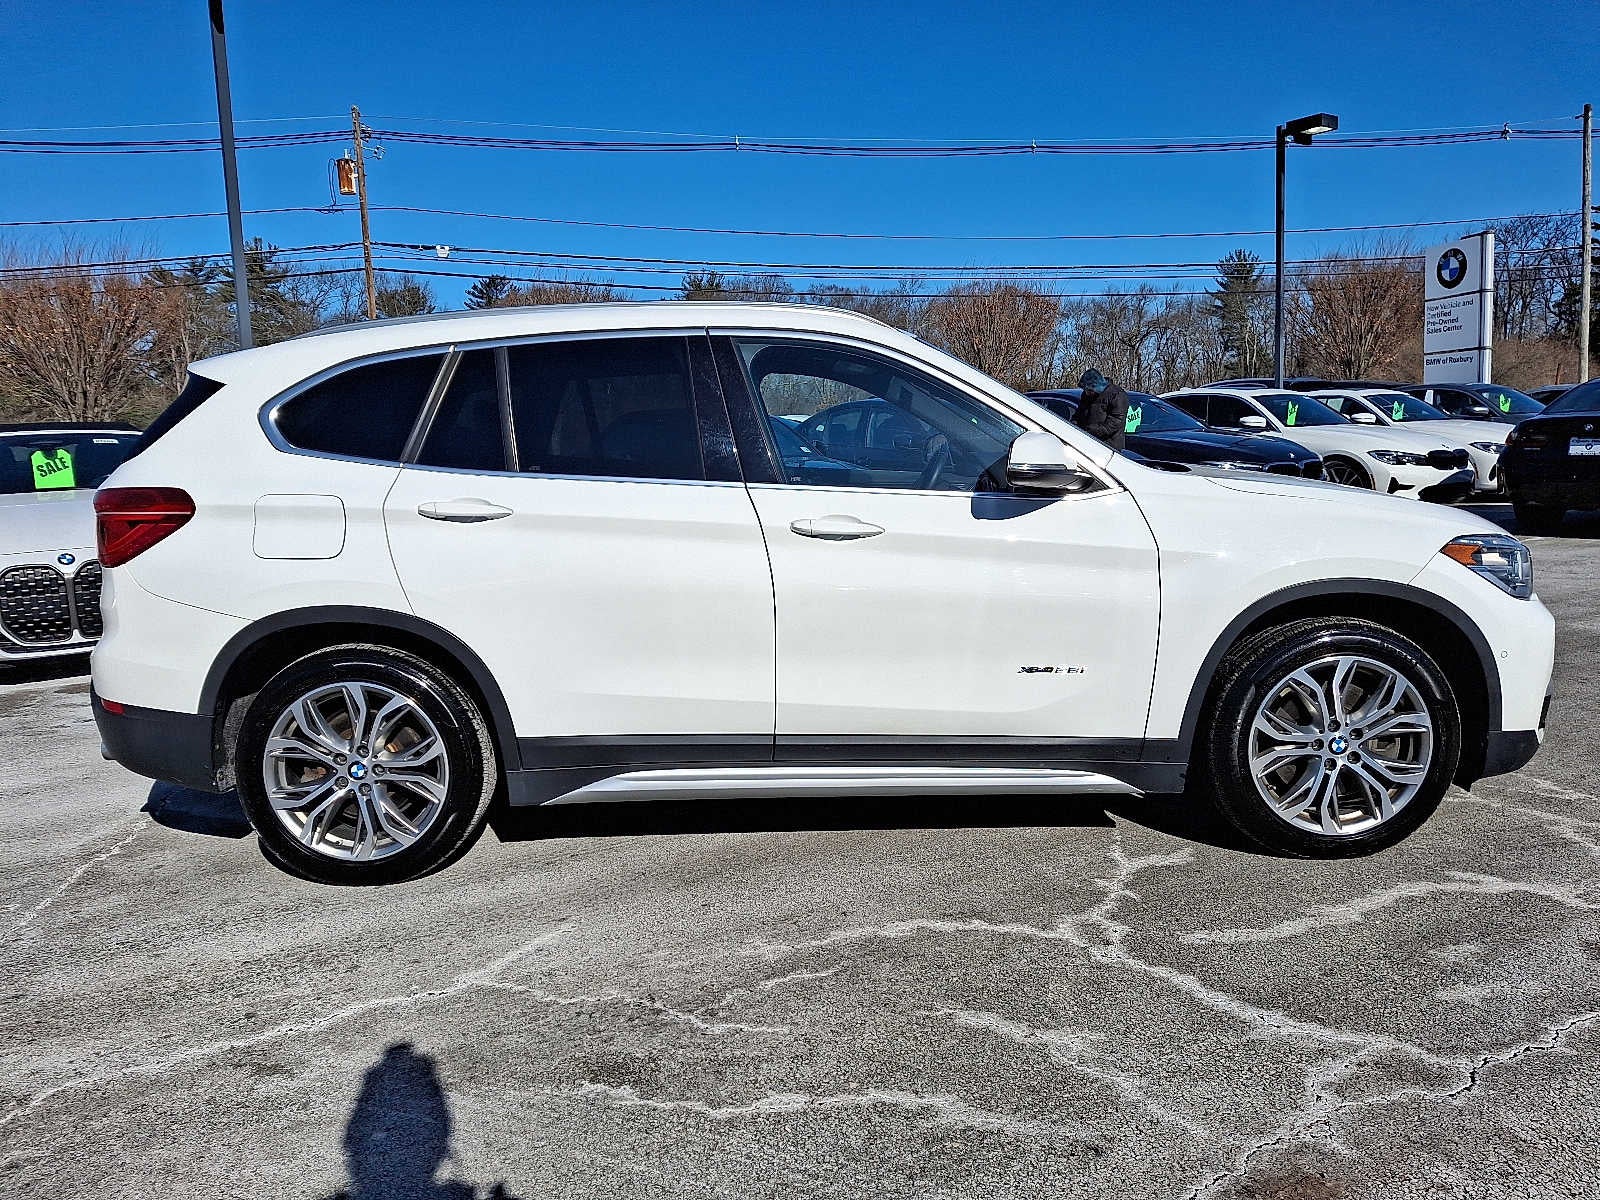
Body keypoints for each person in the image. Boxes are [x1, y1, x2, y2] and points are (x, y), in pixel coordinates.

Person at [1073, 369, 1130, 450]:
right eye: (1085, 390)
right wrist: (1073, 425)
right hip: (1087, 442)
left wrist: (1089, 430)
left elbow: (1115, 422)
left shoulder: (1117, 395)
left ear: (1095, 386)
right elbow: (1079, 414)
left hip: (1109, 446)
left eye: (1088, 390)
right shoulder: (1086, 396)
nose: (1086, 393)